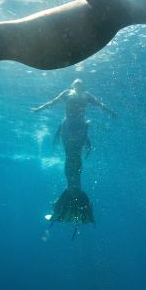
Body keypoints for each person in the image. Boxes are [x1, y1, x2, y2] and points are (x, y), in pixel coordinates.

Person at [32, 79, 117, 231]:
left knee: (74, 157)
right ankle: (73, 191)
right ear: (73, 85)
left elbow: (100, 105)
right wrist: (39, 109)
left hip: (79, 127)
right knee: (71, 156)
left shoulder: (86, 95)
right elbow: (52, 102)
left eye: (80, 82)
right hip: (69, 126)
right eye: (76, 82)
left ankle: (72, 191)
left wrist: (111, 112)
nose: (78, 83)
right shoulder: (68, 93)